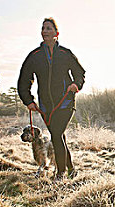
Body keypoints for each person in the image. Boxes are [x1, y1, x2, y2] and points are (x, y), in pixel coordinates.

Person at [18, 17, 85, 180]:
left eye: (48, 28)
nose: (45, 31)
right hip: (46, 107)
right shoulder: (34, 56)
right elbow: (24, 79)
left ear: (57, 33)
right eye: (43, 28)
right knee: (59, 136)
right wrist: (28, 100)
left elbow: (79, 73)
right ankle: (71, 169)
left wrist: (76, 85)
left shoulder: (65, 54)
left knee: (56, 134)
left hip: (65, 102)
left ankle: (61, 173)